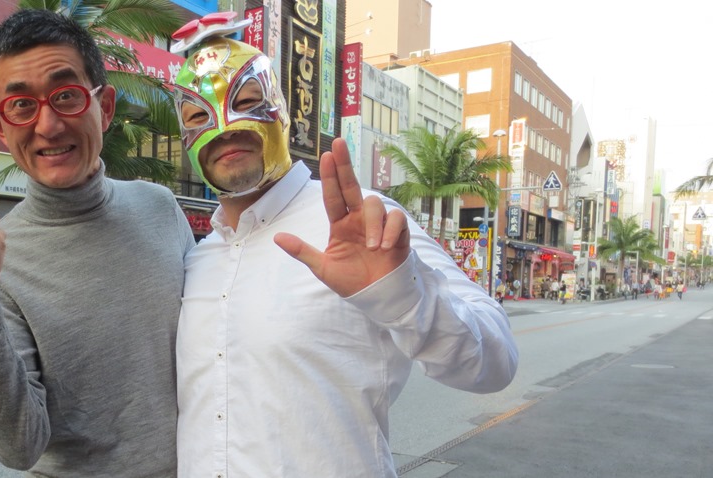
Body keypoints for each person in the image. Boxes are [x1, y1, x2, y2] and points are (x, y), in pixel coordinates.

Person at [170, 18, 518, 477]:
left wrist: (404, 298)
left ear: (281, 110)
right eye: (198, 116)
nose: (224, 128)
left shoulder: (360, 221)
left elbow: (495, 363)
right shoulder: (197, 261)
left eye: (248, 102)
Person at [0, 9, 194, 476]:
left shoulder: (160, 208)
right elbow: (18, 447)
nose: (49, 126)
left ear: (105, 107)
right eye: (21, 105)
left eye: (67, 96)